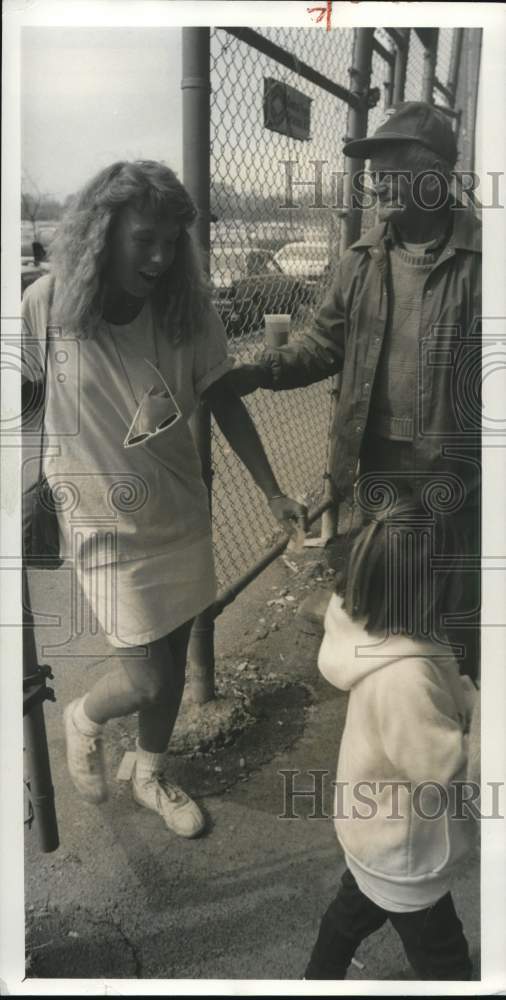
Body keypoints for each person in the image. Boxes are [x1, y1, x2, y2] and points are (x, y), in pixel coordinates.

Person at [21, 160, 306, 839]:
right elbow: (24, 395)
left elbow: (223, 400)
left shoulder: (188, 312)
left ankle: (149, 771)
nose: (160, 256)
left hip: (180, 510)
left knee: (173, 658)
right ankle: (84, 717)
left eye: (173, 240)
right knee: (147, 678)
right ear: (102, 232)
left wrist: (271, 491)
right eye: (144, 238)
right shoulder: (49, 303)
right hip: (101, 520)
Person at [229, 102, 481, 681]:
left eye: (391, 170)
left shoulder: (484, 260)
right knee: (387, 596)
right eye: (372, 174)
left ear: (437, 177)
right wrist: (261, 370)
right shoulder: (363, 259)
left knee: (456, 600)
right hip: (380, 465)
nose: (375, 184)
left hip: (460, 473)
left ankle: (458, 724)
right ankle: (392, 718)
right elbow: (321, 344)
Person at [304, 500, 478, 980]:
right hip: (407, 848)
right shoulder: (406, 678)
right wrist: (481, 723)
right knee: (445, 959)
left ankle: (316, 980)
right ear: (429, 588)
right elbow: (441, 770)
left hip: (374, 831)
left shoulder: (370, 628)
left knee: (352, 912)